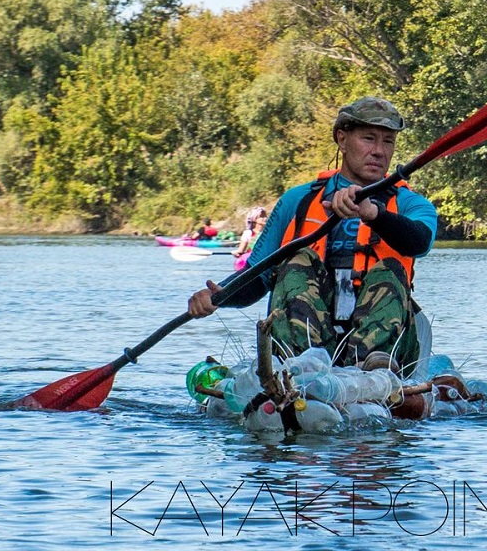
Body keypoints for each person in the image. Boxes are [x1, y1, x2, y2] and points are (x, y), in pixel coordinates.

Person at [187, 96, 437, 372]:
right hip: (308, 346)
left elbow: (420, 242)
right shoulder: (297, 200)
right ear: (342, 140)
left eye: (387, 141)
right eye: (368, 139)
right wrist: (219, 297)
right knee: (298, 260)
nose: (379, 151)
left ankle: (372, 366)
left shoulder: (411, 203)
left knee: (389, 268)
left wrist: (373, 213)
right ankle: (305, 365)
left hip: (380, 350)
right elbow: (257, 277)